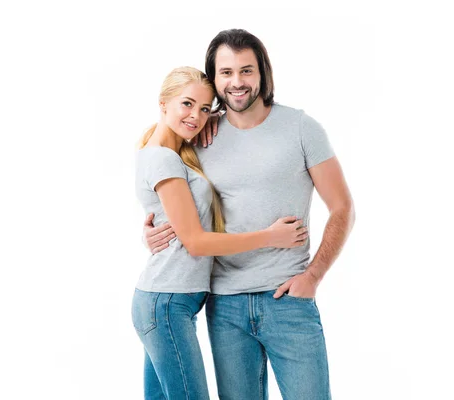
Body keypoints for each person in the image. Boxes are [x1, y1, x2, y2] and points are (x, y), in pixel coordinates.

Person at [143, 30, 355, 399]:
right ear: (214, 78)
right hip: (224, 304)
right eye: (225, 72)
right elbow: (168, 186)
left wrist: (313, 277)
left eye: (246, 70)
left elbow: (342, 208)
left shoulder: (301, 128)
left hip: (288, 300)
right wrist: (153, 228)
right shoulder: (201, 132)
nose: (237, 82)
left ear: (263, 74)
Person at [133, 66, 311, 400]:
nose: (196, 116)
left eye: (204, 108)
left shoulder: (170, 153)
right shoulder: (163, 160)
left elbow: (172, 222)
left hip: (165, 300)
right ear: (163, 103)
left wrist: (218, 117)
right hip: (167, 302)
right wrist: (270, 236)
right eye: (187, 104)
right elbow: (197, 242)